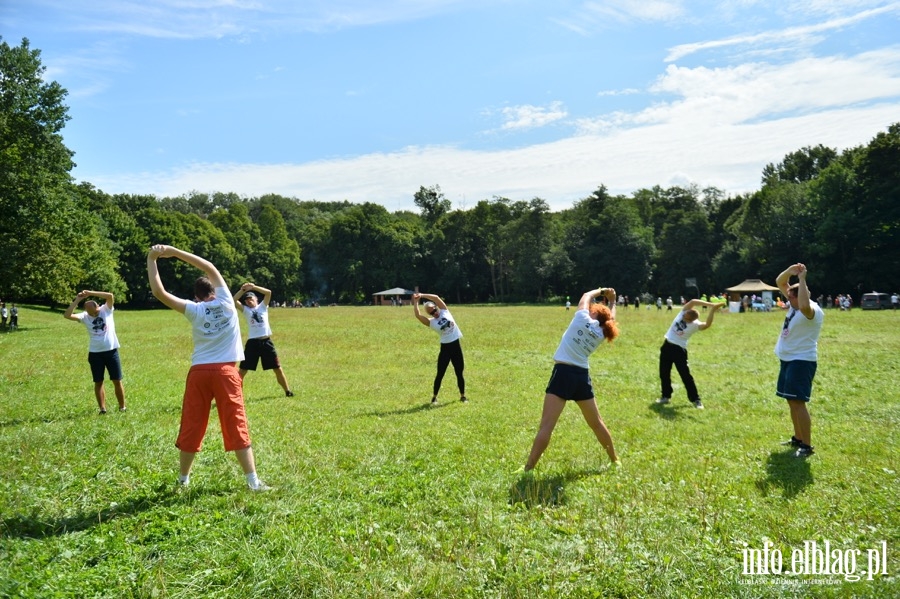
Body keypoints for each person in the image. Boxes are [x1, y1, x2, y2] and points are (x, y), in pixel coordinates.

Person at [147, 244, 271, 491]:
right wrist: (174, 251)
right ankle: (253, 482)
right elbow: (207, 266)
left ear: (196, 297)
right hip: (226, 372)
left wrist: (153, 258)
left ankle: (183, 480)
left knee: (192, 423)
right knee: (236, 422)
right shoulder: (227, 300)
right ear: (216, 290)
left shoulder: (193, 309)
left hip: (199, 372)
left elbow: (159, 292)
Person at [524, 287, 620, 471]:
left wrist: (603, 291)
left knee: (546, 426)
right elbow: (611, 320)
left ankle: (528, 468)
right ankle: (615, 460)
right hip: (581, 376)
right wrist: (613, 302)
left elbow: (586, 295)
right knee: (597, 423)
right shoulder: (602, 333)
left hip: (563, 374)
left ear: (592, 313)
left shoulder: (581, 318)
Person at [775, 263, 824, 458]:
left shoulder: (809, 310)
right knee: (791, 400)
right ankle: (798, 438)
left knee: (798, 402)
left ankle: (807, 446)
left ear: (798, 296)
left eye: (790, 296)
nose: (787, 298)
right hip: (788, 359)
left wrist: (802, 279)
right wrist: (790, 271)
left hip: (801, 361)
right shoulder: (794, 305)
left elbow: (804, 303)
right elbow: (780, 282)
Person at [63, 290, 127, 414]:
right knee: (98, 382)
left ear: (98, 306)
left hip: (111, 351)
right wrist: (78, 299)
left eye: (94, 306)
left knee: (117, 380)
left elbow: (110, 296)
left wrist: (90, 293)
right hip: (95, 354)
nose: (95, 310)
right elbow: (67, 315)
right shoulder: (84, 317)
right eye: (88, 308)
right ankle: (102, 409)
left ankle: (122, 407)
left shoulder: (106, 310)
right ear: (87, 310)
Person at [657, 299, 722, 409]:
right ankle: (665, 396)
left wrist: (713, 311)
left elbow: (707, 324)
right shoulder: (683, 312)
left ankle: (696, 400)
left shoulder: (695, 325)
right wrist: (711, 304)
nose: (683, 317)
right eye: (684, 315)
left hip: (679, 351)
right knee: (664, 373)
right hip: (666, 346)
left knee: (686, 376)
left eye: (685, 318)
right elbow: (693, 301)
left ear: (691, 321)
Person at [232, 283, 294, 397]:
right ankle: (236, 394)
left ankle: (288, 391)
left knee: (277, 368)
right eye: (246, 300)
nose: (248, 301)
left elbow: (268, 293)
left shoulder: (263, 306)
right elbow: (233, 300)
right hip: (253, 343)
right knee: (243, 370)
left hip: (266, 342)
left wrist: (253, 287)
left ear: (256, 299)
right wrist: (242, 290)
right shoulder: (245, 310)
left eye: (251, 299)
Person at [413, 292, 466, 404]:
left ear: (437, 307)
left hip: (456, 346)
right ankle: (434, 397)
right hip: (445, 349)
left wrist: (421, 295)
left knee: (459, 373)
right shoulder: (431, 323)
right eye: (431, 313)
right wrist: (416, 302)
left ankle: (463, 396)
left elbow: (436, 298)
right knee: (440, 374)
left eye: (434, 310)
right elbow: (418, 315)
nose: (434, 313)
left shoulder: (444, 311)